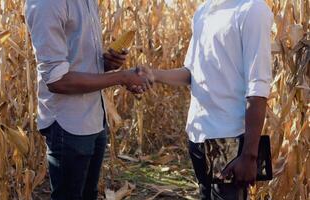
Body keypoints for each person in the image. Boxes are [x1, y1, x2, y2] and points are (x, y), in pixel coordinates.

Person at [138, 0, 273, 199]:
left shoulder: (253, 9)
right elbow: (191, 72)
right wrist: (154, 75)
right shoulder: (204, 11)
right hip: (198, 135)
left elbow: (258, 87)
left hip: (229, 140)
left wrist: (249, 155)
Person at [25, 0, 150, 199]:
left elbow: (79, 61)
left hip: (94, 117)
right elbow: (57, 81)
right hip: (68, 123)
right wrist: (121, 77)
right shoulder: (47, 4)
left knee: (88, 194)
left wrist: (106, 63)